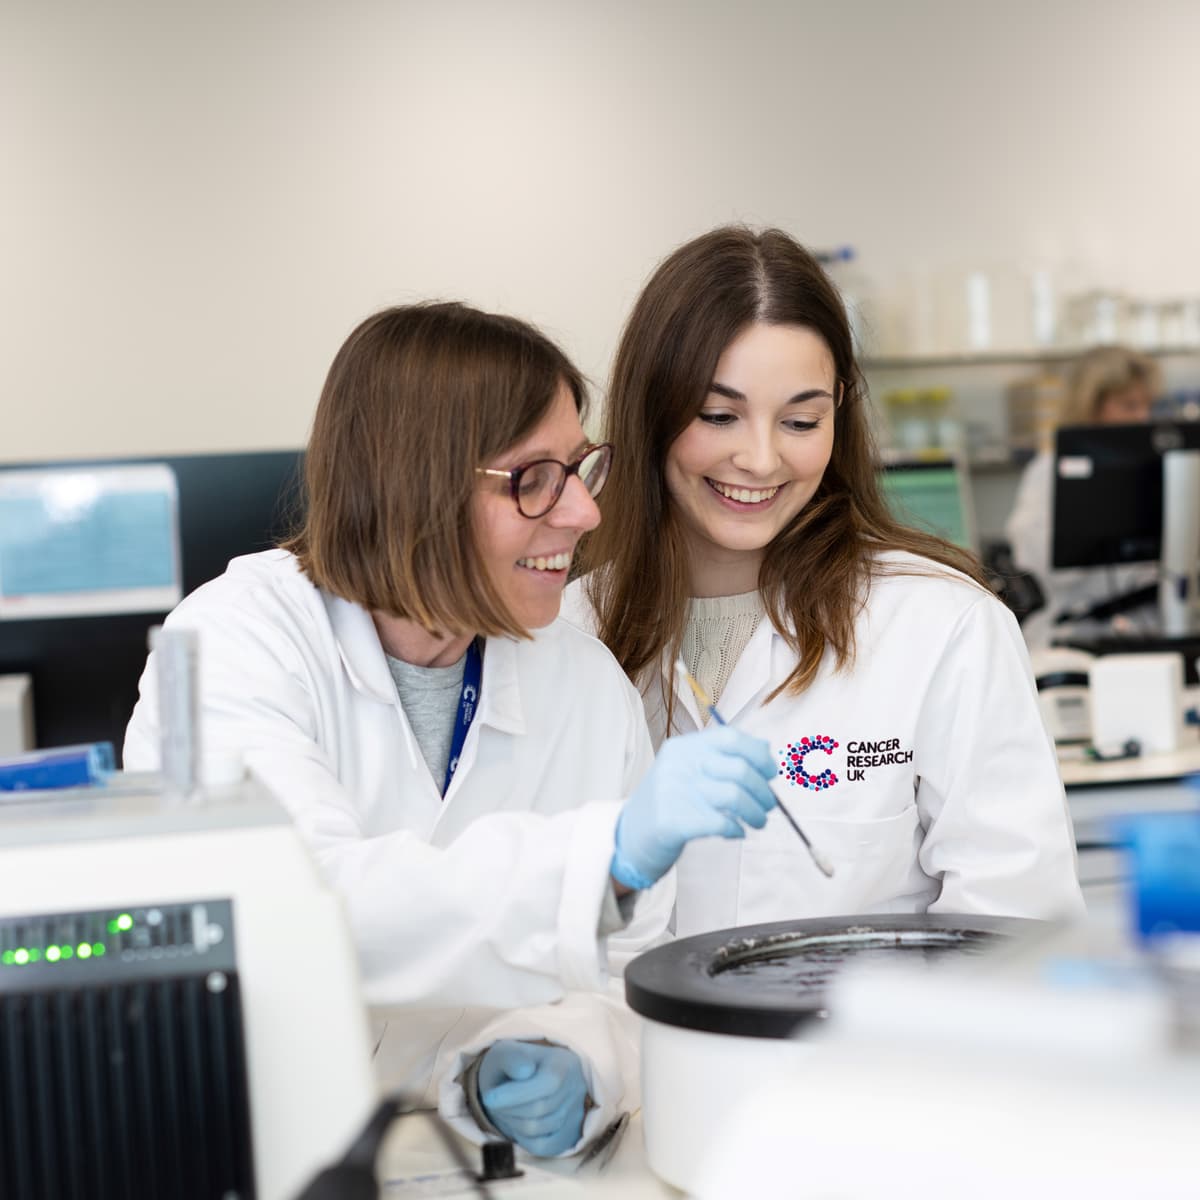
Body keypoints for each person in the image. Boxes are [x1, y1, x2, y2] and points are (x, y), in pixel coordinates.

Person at [123, 302, 779, 1157]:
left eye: (581, 469)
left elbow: (636, 970)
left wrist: (577, 1056)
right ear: (417, 484)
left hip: (492, 1167)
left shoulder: (578, 677)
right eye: (534, 477)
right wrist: (600, 858)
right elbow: (307, 907)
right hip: (266, 1156)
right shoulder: (230, 645)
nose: (582, 513)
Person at [563, 226, 1085, 937]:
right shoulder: (568, 629)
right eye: (719, 415)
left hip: (866, 1049)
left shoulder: (941, 625)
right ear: (650, 408)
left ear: (840, 410)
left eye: (801, 419)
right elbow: (526, 912)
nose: (760, 457)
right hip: (630, 1049)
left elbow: (1017, 920)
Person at [1005, 344, 1162, 648]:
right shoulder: (1049, 471)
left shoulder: (1153, 468)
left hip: (1148, 632)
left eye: (1147, 405)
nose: (1143, 417)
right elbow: (1034, 563)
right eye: (1129, 406)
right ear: (1091, 405)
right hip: (1076, 636)